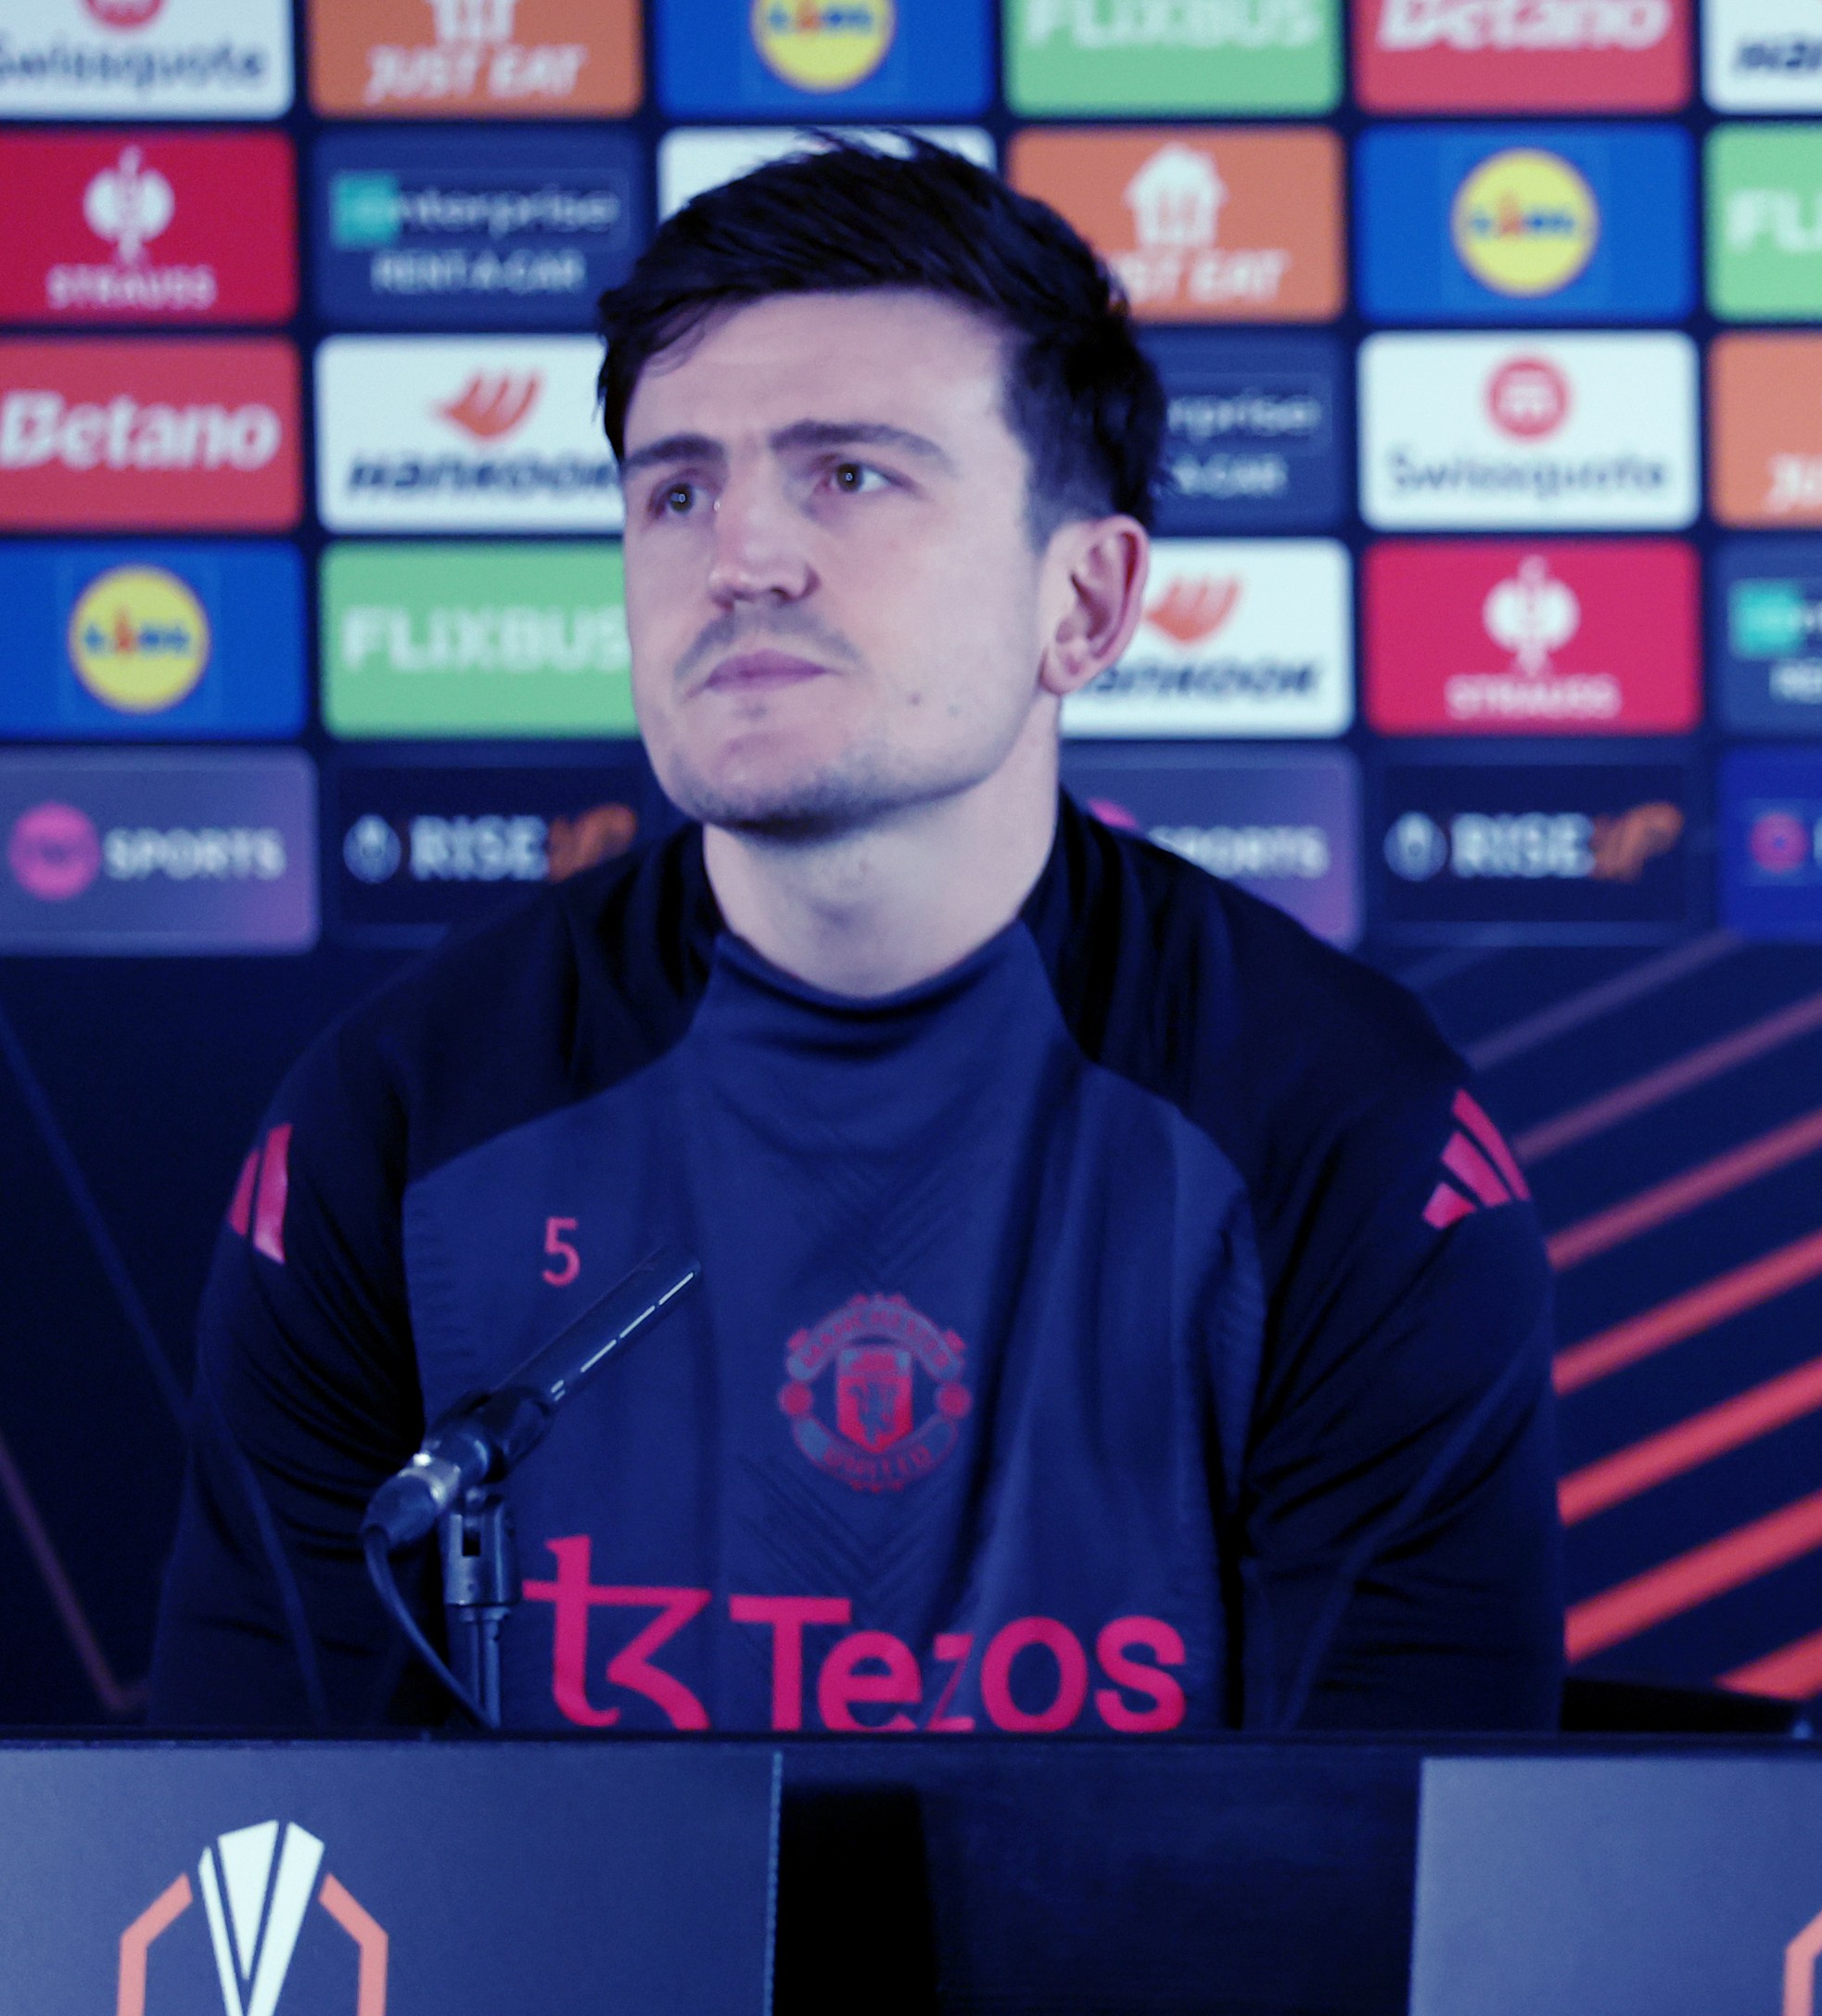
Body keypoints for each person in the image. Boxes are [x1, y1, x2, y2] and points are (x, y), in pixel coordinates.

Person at [147, 140, 1562, 1734]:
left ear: (1084, 607)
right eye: (678, 489)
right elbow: (253, 1843)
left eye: (850, 474)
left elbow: (1403, 1893)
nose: (739, 556)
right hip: (584, 1999)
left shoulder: (1344, 1125)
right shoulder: (396, 1118)